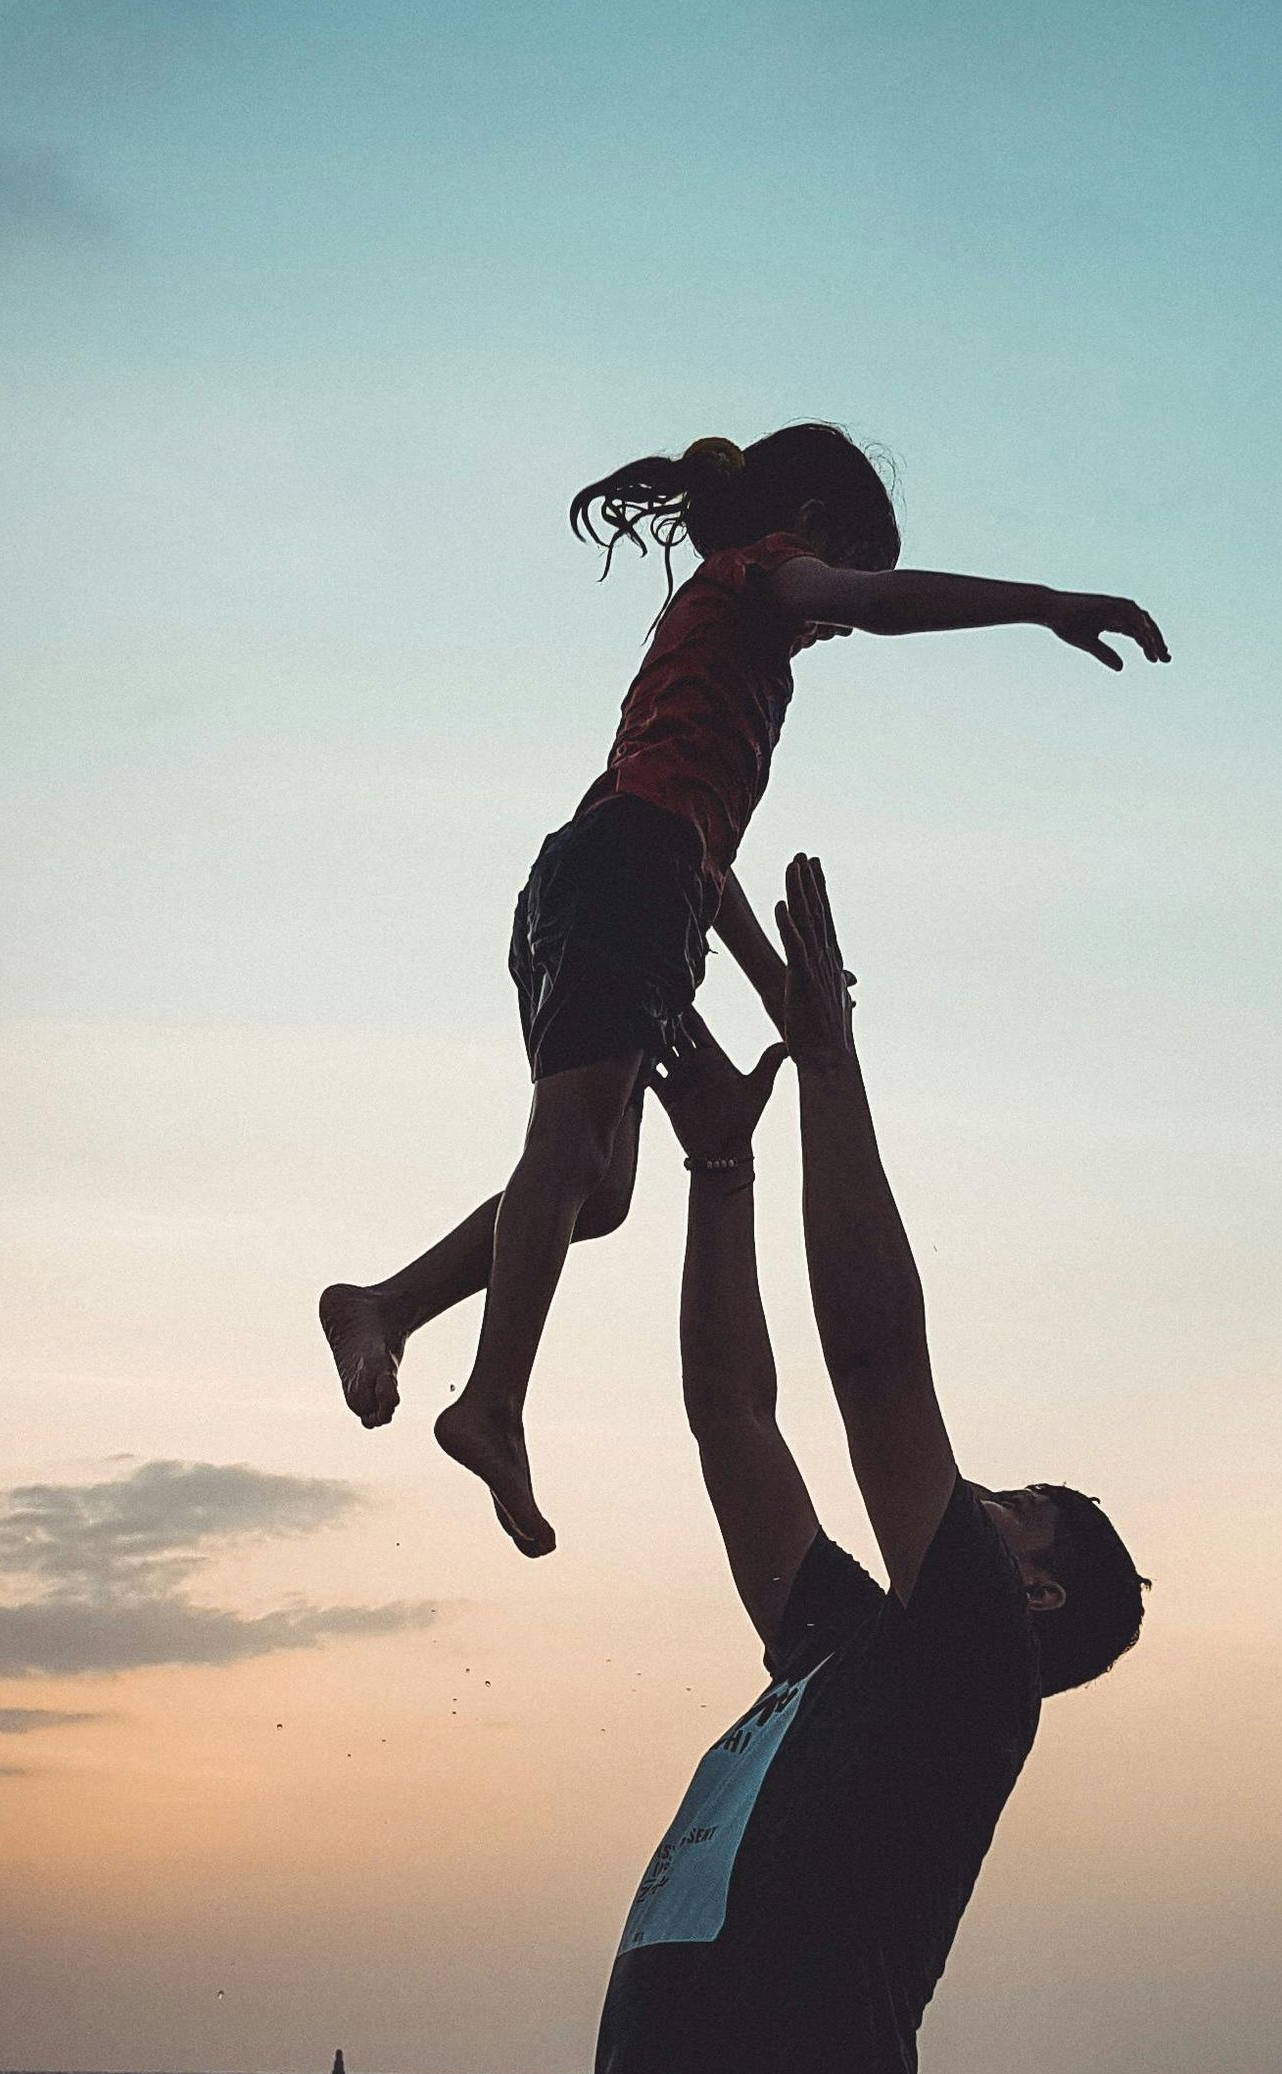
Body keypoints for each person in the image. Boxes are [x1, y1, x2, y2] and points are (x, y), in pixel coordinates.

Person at [319, 424, 1171, 1554]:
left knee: (599, 1192)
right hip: (628, 873)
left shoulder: (718, 668)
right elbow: (877, 608)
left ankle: (387, 1306)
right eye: (834, 594)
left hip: (623, 877)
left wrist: (780, 990)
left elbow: (700, 850)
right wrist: (1042, 604)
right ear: (810, 531)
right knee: (569, 1147)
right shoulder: (758, 573)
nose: (831, 626)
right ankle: (493, 1400)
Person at [596, 855, 1150, 2072]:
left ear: (1036, 1591)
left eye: (1018, 1508)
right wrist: (719, 1170)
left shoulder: (982, 1666)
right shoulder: (838, 1648)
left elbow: (878, 1369)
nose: (977, 1493)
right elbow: (733, 1421)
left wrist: (828, 1066)